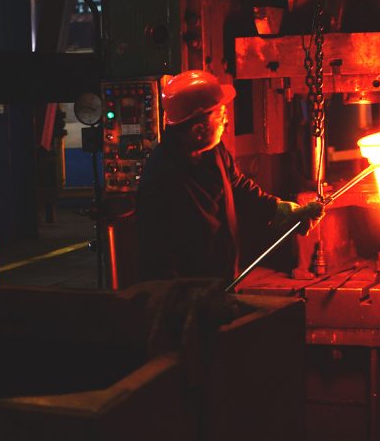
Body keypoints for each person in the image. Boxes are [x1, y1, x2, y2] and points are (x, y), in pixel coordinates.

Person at [136, 70, 324, 284]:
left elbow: (237, 186)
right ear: (199, 129)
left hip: (221, 281)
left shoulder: (211, 150)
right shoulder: (162, 180)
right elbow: (157, 264)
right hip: (190, 297)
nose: (225, 123)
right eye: (221, 116)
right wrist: (187, 303)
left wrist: (282, 211)